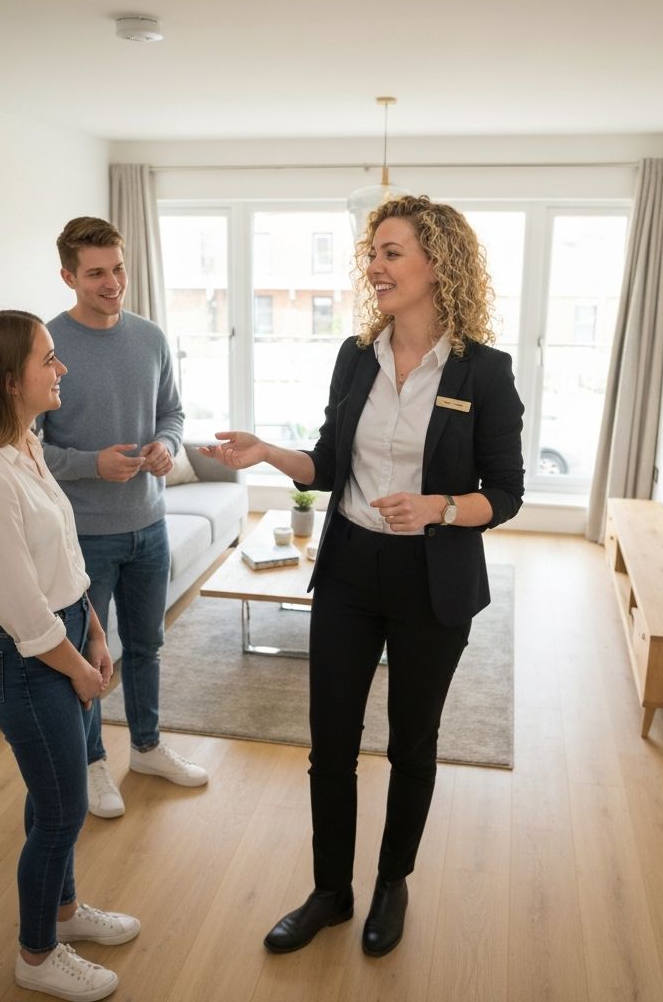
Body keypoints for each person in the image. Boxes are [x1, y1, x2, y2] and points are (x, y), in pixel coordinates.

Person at [200, 195, 524, 958]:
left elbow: (505, 492)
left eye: (390, 253)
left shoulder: (485, 370)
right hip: (349, 569)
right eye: (371, 254)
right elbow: (329, 460)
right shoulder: (355, 356)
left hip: (431, 580)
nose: (373, 267)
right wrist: (270, 454)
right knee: (330, 743)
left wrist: (441, 506)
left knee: (412, 743)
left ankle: (390, 884)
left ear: (437, 264)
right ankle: (329, 891)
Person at [0, 310, 140, 1002]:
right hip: (28, 665)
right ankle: (36, 954)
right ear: (6, 380)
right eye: (48, 359)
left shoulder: (26, 446)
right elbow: (22, 611)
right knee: (59, 812)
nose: (62, 369)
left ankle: (64, 912)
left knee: (57, 799)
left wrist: (95, 632)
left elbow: (63, 561)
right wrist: (79, 670)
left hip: (63, 641)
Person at [37, 216, 208, 821]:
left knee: (146, 647)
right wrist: (90, 463)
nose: (112, 283)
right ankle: (92, 766)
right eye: (96, 273)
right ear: (68, 276)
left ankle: (148, 748)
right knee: (89, 662)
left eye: (118, 269)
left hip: (150, 524)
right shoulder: (47, 347)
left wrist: (166, 444)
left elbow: (174, 411)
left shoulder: (151, 337)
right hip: (84, 536)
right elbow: (29, 448)